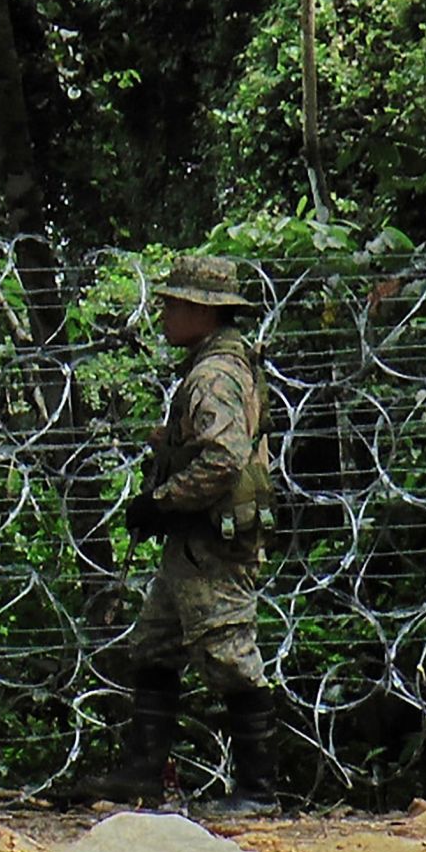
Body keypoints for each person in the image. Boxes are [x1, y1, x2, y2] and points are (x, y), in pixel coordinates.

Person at [76, 255, 279, 816]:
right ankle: (141, 774)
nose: (163, 313)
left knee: (230, 655)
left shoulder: (213, 374)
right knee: (155, 648)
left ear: (202, 311)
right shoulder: (218, 365)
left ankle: (259, 793)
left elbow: (223, 459)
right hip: (194, 543)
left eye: (173, 305)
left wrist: (159, 503)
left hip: (209, 541)